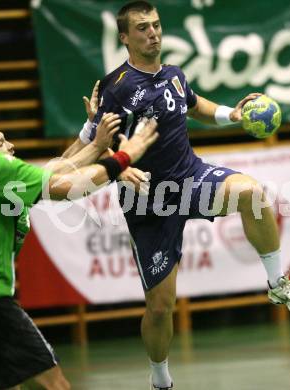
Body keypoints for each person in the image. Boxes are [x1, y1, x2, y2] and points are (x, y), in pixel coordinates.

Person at [82, 2, 290, 389]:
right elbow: (94, 142)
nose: (153, 34)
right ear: (125, 37)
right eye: (143, 28)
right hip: (150, 200)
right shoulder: (117, 87)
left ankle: (278, 283)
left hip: (190, 178)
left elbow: (195, 106)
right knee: (161, 309)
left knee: (253, 194)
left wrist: (234, 115)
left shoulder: (174, 75)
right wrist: (119, 166)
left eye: (157, 26)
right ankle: (160, 380)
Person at [0, 113, 158, 389]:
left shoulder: (5, 187)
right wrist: (124, 157)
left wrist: (92, 135)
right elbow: (69, 186)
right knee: (55, 385)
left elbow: (57, 171)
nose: (11, 146)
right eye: (0, 143)